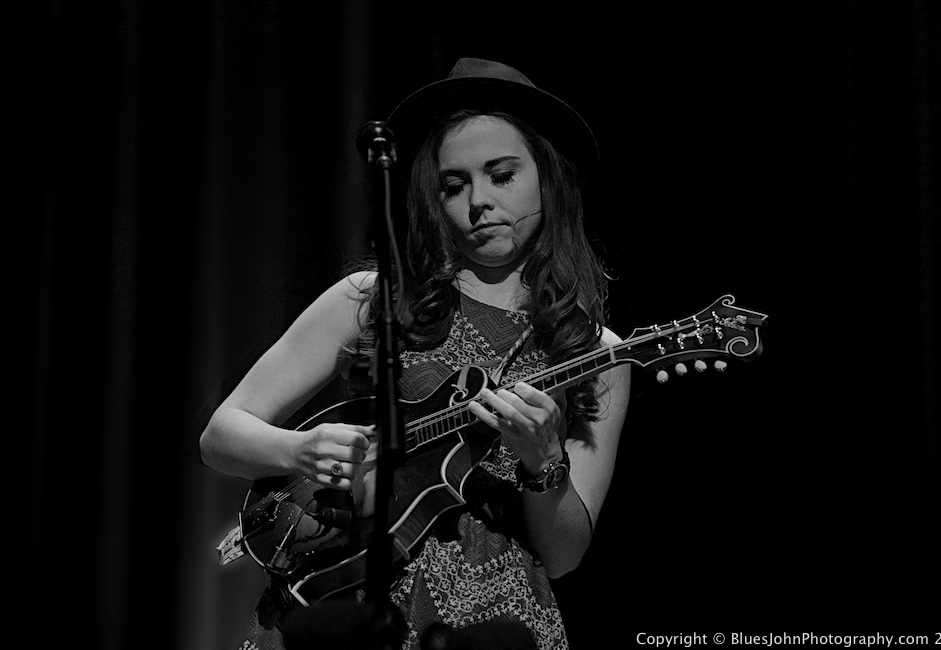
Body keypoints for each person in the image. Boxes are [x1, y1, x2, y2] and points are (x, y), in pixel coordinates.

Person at [200, 57, 631, 650]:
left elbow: (562, 557)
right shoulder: (370, 299)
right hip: (339, 605)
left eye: (502, 175)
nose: (478, 201)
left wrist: (544, 461)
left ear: (548, 179)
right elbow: (221, 434)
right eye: (453, 186)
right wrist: (298, 450)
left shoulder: (595, 352)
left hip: (492, 626)